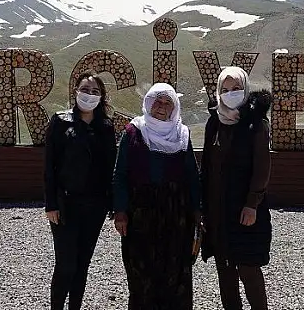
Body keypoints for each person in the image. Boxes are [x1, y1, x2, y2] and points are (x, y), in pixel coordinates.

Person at [112, 82, 202, 310]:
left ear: (175, 107)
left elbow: (192, 175)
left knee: (176, 272)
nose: (162, 107)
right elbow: (120, 173)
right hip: (141, 213)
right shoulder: (133, 132)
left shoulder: (182, 134)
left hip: (176, 214)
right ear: (148, 103)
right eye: (157, 102)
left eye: (167, 103)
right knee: (141, 272)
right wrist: (120, 211)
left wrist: (197, 211)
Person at [43, 71, 117, 310]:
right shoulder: (60, 122)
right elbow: (49, 165)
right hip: (65, 205)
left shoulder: (106, 127)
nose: (89, 95)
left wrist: (112, 204)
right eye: (85, 90)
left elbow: (110, 167)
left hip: (94, 206)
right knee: (66, 265)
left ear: (102, 97)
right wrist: (50, 204)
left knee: (83, 264)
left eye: (95, 91)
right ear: (75, 91)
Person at [200, 66, 273, 310]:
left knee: (248, 267)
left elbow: (262, 169)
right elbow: (207, 167)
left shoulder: (256, 124)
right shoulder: (214, 123)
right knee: (225, 268)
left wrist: (252, 203)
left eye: (236, 88)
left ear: (245, 89)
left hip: (245, 209)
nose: (231, 93)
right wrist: (202, 208)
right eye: (226, 89)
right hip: (218, 208)